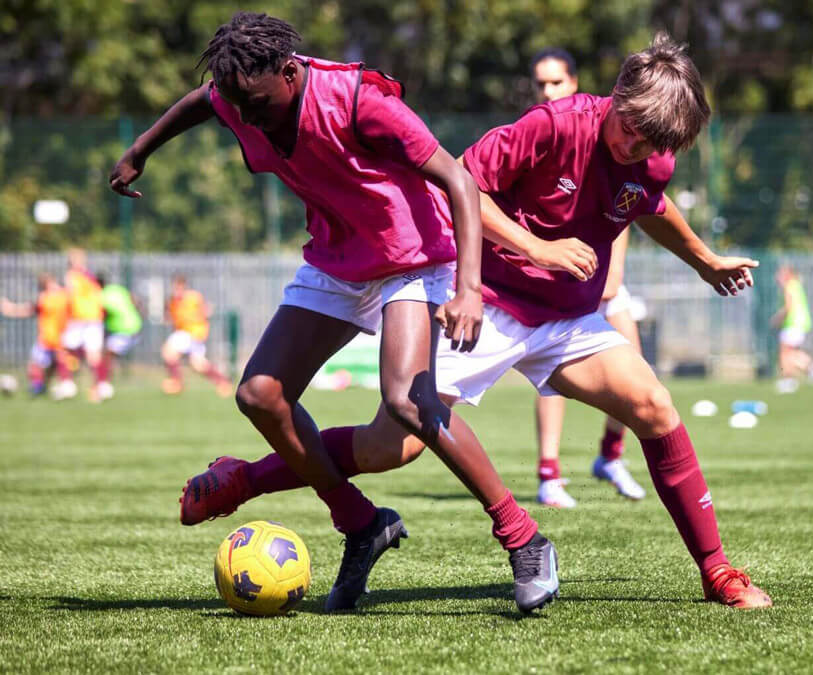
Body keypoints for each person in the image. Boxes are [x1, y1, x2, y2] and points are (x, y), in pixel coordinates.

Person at [187, 32, 773, 609]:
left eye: (651, 144)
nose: (635, 148)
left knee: (655, 406)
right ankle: (248, 478)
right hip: (487, 304)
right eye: (630, 130)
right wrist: (536, 249)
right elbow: (460, 183)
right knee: (391, 446)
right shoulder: (554, 124)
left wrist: (704, 260)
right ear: (617, 93)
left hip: (566, 320)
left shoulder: (653, 158)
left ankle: (717, 570)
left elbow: (650, 206)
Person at [109, 12, 557, 614]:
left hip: (413, 254)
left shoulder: (356, 101)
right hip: (337, 257)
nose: (247, 118)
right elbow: (203, 101)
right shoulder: (240, 92)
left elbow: (457, 179)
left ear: (291, 73)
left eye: (257, 104)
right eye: (238, 106)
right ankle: (360, 522)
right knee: (259, 395)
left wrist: (470, 287)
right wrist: (140, 150)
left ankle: (525, 539)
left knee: (407, 402)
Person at [530, 47, 646, 508]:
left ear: (574, 83)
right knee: (551, 375)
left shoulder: (604, 129)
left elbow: (626, 206)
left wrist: (614, 271)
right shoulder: (540, 129)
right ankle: (549, 473)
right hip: (555, 277)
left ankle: (610, 456)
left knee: (637, 369)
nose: (547, 91)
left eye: (556, 83)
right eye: (540, 84)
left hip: (601, 276)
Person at [0, 274, 73, 398]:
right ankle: (43, 387)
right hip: (55, 337)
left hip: (52, 338)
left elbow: (29, 310)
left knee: (38, 364)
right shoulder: (61, 296)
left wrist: (9, 308)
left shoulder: (47, 298)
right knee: (46, 365)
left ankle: (42, 387)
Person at [161, 275, 230, 397]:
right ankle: (223, 382)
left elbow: (204, 310)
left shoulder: (193, 297)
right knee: (198, 364)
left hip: (194, 332)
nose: (176, 290)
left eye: (179, 287)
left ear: (184, 286)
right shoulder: (173, 301)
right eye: (175, 287)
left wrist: (204, 312)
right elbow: (173, 317)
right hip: (187, 333)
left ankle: (176, 382)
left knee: (168, 351)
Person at [62, 248, 110, 402]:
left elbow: (69, 295)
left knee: (66, 350)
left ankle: (68, 384)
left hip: (80, 318)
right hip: (94, 318)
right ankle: (100, 387)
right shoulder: (90, 277)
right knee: (92, 354)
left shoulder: (72, 276)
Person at [97, 273, 144, 400]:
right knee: (108, 355)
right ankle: (103, 384)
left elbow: (102, 313)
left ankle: (103, 385)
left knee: (107, 356)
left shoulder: (101, 296)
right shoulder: (118, 289)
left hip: (124, 330)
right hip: (135, 326)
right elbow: (135, 300)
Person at [771, 265, 812, 394]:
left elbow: (788, 307)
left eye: (780, 274)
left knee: (785, 353)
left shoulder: (789, 287)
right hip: (801, 323)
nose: (777, 277)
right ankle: (811, 367)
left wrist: (777, 318)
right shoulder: (796, 285)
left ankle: (788, 381)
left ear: (787, 275)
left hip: (793, 323)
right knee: (793, 352)